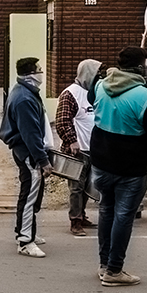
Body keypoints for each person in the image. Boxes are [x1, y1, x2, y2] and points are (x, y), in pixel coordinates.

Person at [90, 47, 147, 286]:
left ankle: (104, 263)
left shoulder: (100, 86)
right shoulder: (144, 96)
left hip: (102, 162)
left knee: (106, 209)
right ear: (140, 68)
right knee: (123, 215)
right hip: (129, 166)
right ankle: (114, 271)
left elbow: (91, 100)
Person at [0, 57, 52, 258]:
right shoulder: (24, 98)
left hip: (26, 151)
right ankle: (25, 240)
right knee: (30, 195)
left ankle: (26, 230)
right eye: (39, 70)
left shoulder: (23, 92)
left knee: (31, 193)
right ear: (31, 74)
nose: (41, 73)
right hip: (28, 153)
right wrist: (42, 160)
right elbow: (30, 134)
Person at [55, 59, 101, 236]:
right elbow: (62, 121)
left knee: (87, 186)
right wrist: (71, 141)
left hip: (92, 148)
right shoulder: (71, 94)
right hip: (78, 150)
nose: (99, 77)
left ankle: (82, 215)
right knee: (76, 187)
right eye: (96, 73)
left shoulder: (94, 93)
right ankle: (75, 221)